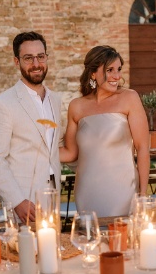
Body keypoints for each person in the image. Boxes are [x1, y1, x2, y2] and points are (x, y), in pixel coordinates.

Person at [59, 45, 150, 219]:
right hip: (87, 192)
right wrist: (35, 148)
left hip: (123, 191)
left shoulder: (129, 98)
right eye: (110, 70)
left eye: (119, 69)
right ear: (93, 73)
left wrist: (143, 195)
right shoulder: (76, 106)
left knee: (123, 242)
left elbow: (143, 147)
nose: (117, 76)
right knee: (90, 241)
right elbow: (70, 153)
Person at [0, 31, 65, 225]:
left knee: (50, 254)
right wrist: (17, 201)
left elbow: (56, 148)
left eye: (40, 56)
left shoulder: (55, 100)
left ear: (46, 57)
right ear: (16, 61)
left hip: (52, 199)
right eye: (28, 58)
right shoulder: (3, 103)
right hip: (23, 204)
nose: (36, 64)